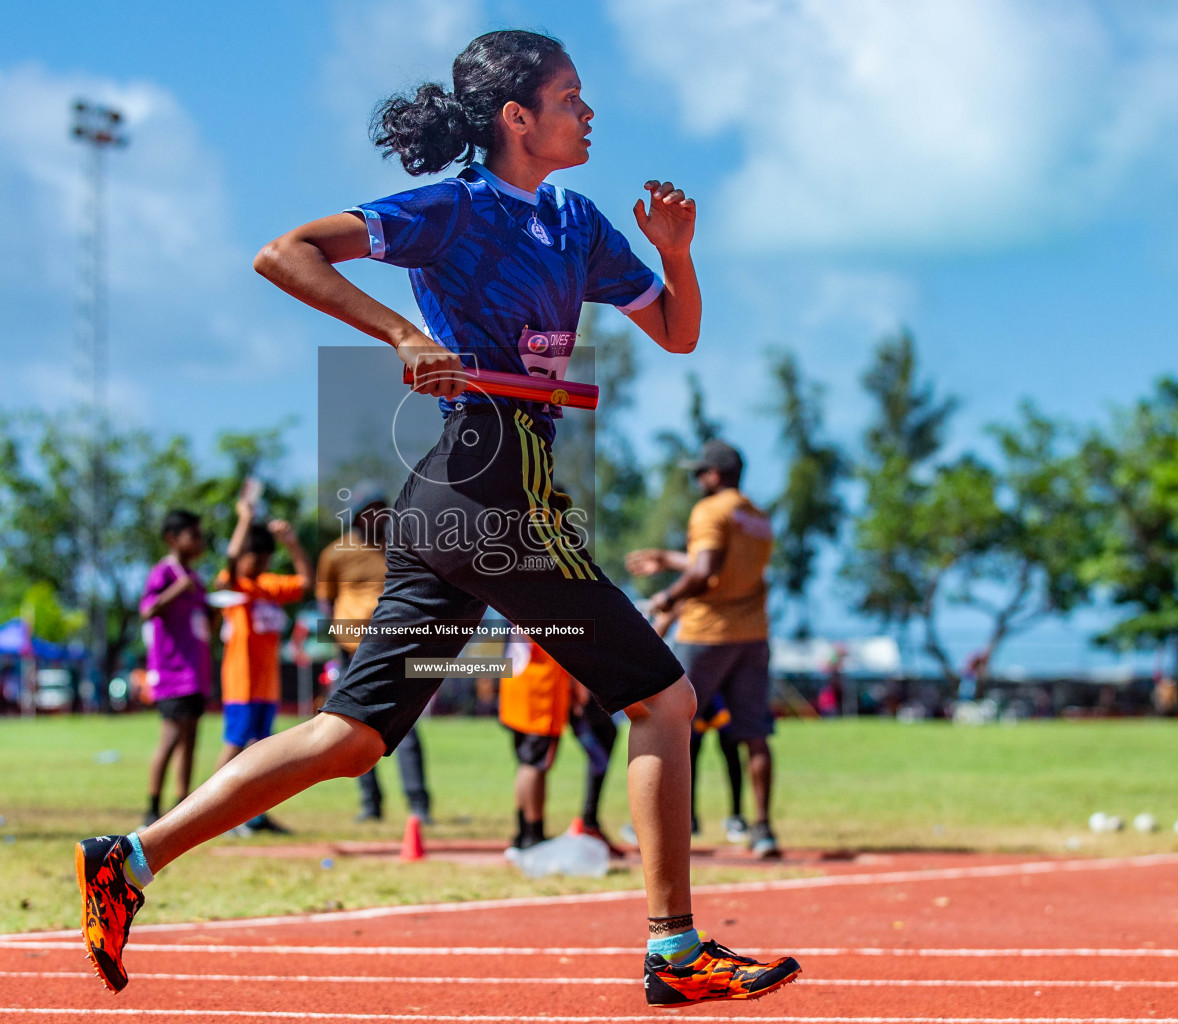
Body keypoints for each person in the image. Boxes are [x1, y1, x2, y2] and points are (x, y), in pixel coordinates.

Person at [74, 31, 800, 1006]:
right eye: (571, 97)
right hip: (487, 479)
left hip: (466, 496)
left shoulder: (576, 222)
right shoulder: (454, 208)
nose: (588, 114)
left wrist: (679, 256)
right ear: (518, 118)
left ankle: (129, 857)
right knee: (663, 699)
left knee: (353, 734)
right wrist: (403, 333)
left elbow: (675, 330)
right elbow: (282, 252)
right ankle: (675, 950)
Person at [629, 439, 780, 858]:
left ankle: (668, 822)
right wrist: (668, 558)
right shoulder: (757, 516)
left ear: (714, 475)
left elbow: (705, 570)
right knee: (755, 735)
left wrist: (667, 598)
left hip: (706, 633)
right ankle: (763, 829)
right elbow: (720, 564)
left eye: (700, 473)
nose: (697, 480)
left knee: (669, 722)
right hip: (752, 634)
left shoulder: (709, 510)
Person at [317, 486, 432, 824]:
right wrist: (334, 637)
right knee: (351, 730)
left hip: (395, 647)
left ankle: (418, 804)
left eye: (383, 509)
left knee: (406, 727)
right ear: (356, 515)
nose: (379, 516)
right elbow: (326, 598)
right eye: (371, 510)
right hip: (352, 653)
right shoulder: (335, 553)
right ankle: (371, 803)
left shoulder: (400, 548)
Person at [210, 497, 312, 835]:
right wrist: (243, 519)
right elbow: (230, 558)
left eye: (267, 559)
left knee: (261, 752)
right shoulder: (235, 583)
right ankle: (212, 815)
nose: (262, 564)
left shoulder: (268, 585)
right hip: (241, 683)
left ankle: (255, 816)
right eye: (257, 557)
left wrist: (292, 543)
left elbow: (306, 583)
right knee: (234, 745)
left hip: (267, 686)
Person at [139, 509, 212, 827]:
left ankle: (182, 806)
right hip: (172, 671)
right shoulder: (165, 573)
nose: (200, 541)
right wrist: (176, 591)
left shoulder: (196, 579)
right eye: (193, 535)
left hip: (197, 671)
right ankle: (152, 809)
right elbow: (148, 609)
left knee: (192, 738)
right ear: (173, 539)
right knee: (170, 736)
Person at [499, 630, 574, 851]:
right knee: (534, 766)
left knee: (527, 764)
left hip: (520, 683)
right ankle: (532, 833)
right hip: (541, 689)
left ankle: (525, 832)